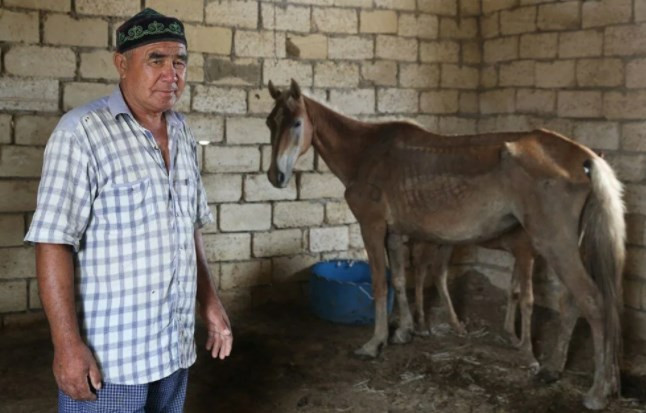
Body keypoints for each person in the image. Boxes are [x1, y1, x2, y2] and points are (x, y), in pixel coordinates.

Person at [24, 8, 232, 412]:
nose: (171, 74)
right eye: (156, 59)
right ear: (122, 63)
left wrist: (209, 301)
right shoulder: (81, 133)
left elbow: (189, 227)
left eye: (180, 61)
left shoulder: (182, 131)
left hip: (172, 350)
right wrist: (67, 346)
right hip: (110, 363)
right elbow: (52, 242)